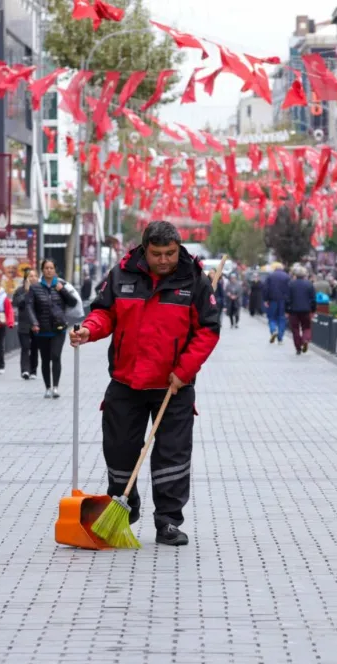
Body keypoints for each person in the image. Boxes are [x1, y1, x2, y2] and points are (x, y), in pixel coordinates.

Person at [70, 220, 220, 546]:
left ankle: (168, 521)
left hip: (173, 385)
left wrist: (184, 370)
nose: (164, 260)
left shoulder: (193, 280)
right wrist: (88, 330)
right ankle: (126, 506)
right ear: (144, 249)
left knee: (171, 456)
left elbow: (208, 330)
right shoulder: (121, 275)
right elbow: (104, 313)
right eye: (157, 254)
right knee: (119, 449)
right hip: (126, 381)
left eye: (170, 253)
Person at [26, 259, 77, 398]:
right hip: (42, 329)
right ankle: (47, 387)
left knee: (56, 356)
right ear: (42, 270)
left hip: (58, 328)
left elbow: (73, 302)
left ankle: (55, 387)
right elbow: (29, 307)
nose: (49, 270)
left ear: (55, 270)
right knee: (45, 359)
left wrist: (63, 290)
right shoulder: (35, 287)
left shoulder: (62, 285)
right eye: (46, 268)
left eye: (51, 268)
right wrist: (34, 323)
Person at [12, 268, 40, 380]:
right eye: (30, 276)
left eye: (35, 276)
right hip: (24, 324)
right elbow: (17, 303)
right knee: (25, 348)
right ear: (25, 279)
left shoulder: (40, 290)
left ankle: (33, 370)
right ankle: (25, 370)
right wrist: (27, 292)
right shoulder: (20, 291)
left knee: (34, 348)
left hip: (37, 324)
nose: (33, 278)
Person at [286, 266, 317, 355]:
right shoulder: (309, 284)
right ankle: (305, 339)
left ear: (295, 275)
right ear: (304, 275)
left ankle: (298, 347)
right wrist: (313, 310)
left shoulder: (291, 284)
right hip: (306, 310)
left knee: (295, 329)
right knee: (306, 327)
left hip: (293, 310)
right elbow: (313, 299)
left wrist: (286, 310)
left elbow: (287, 299)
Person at [263, 262, 291, 344]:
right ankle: (280, 338)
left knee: (271, 317)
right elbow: (289, 290)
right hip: (283, 301)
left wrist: (265, 299)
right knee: (281, 318)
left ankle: (273, 330)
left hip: (272, 300)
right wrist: (288, 302)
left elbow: (265, 289)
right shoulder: (287, 276)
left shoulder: (270, 276)